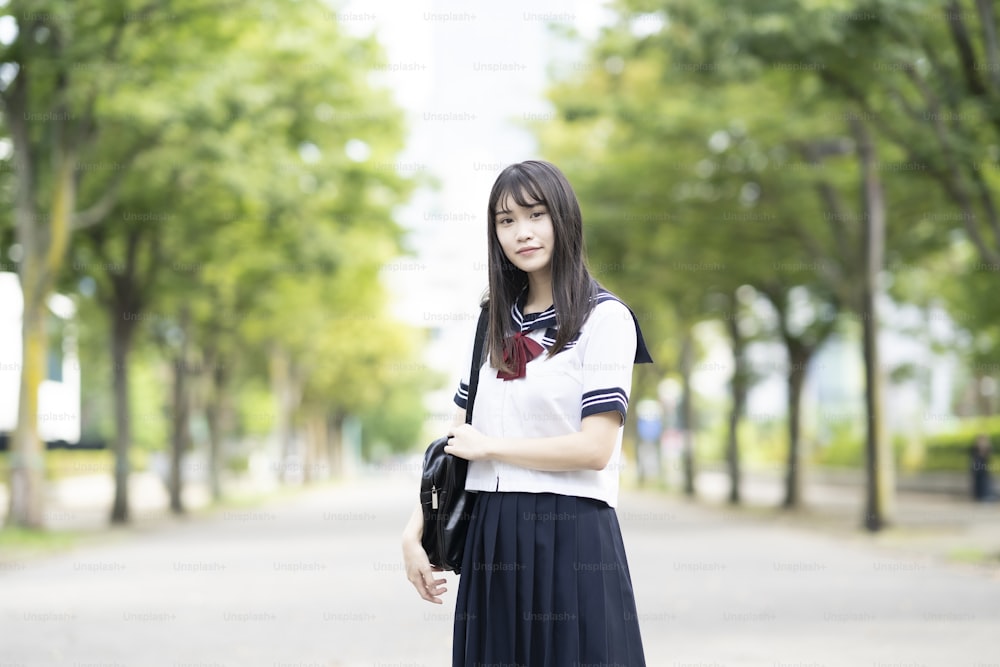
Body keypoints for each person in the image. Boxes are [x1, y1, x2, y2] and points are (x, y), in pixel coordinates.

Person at [401, 160, 652, 666]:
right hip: (492, 536)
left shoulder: (604, 319)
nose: (522, 232)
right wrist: (416, 530)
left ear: (564, 218)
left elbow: (595, 448)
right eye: (506, 220)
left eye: (535, 215)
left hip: (570, 534)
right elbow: (457, 445)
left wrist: (493, 447)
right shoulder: (492, 319)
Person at [970, 433, 994, 502]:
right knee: (980, 483)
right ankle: (980, 496)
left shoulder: (987, 449)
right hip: (978, 472)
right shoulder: (975, 449)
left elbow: (987, 459)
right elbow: (974, 461)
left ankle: (984, 495)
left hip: (984, 472)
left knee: (985, 483)